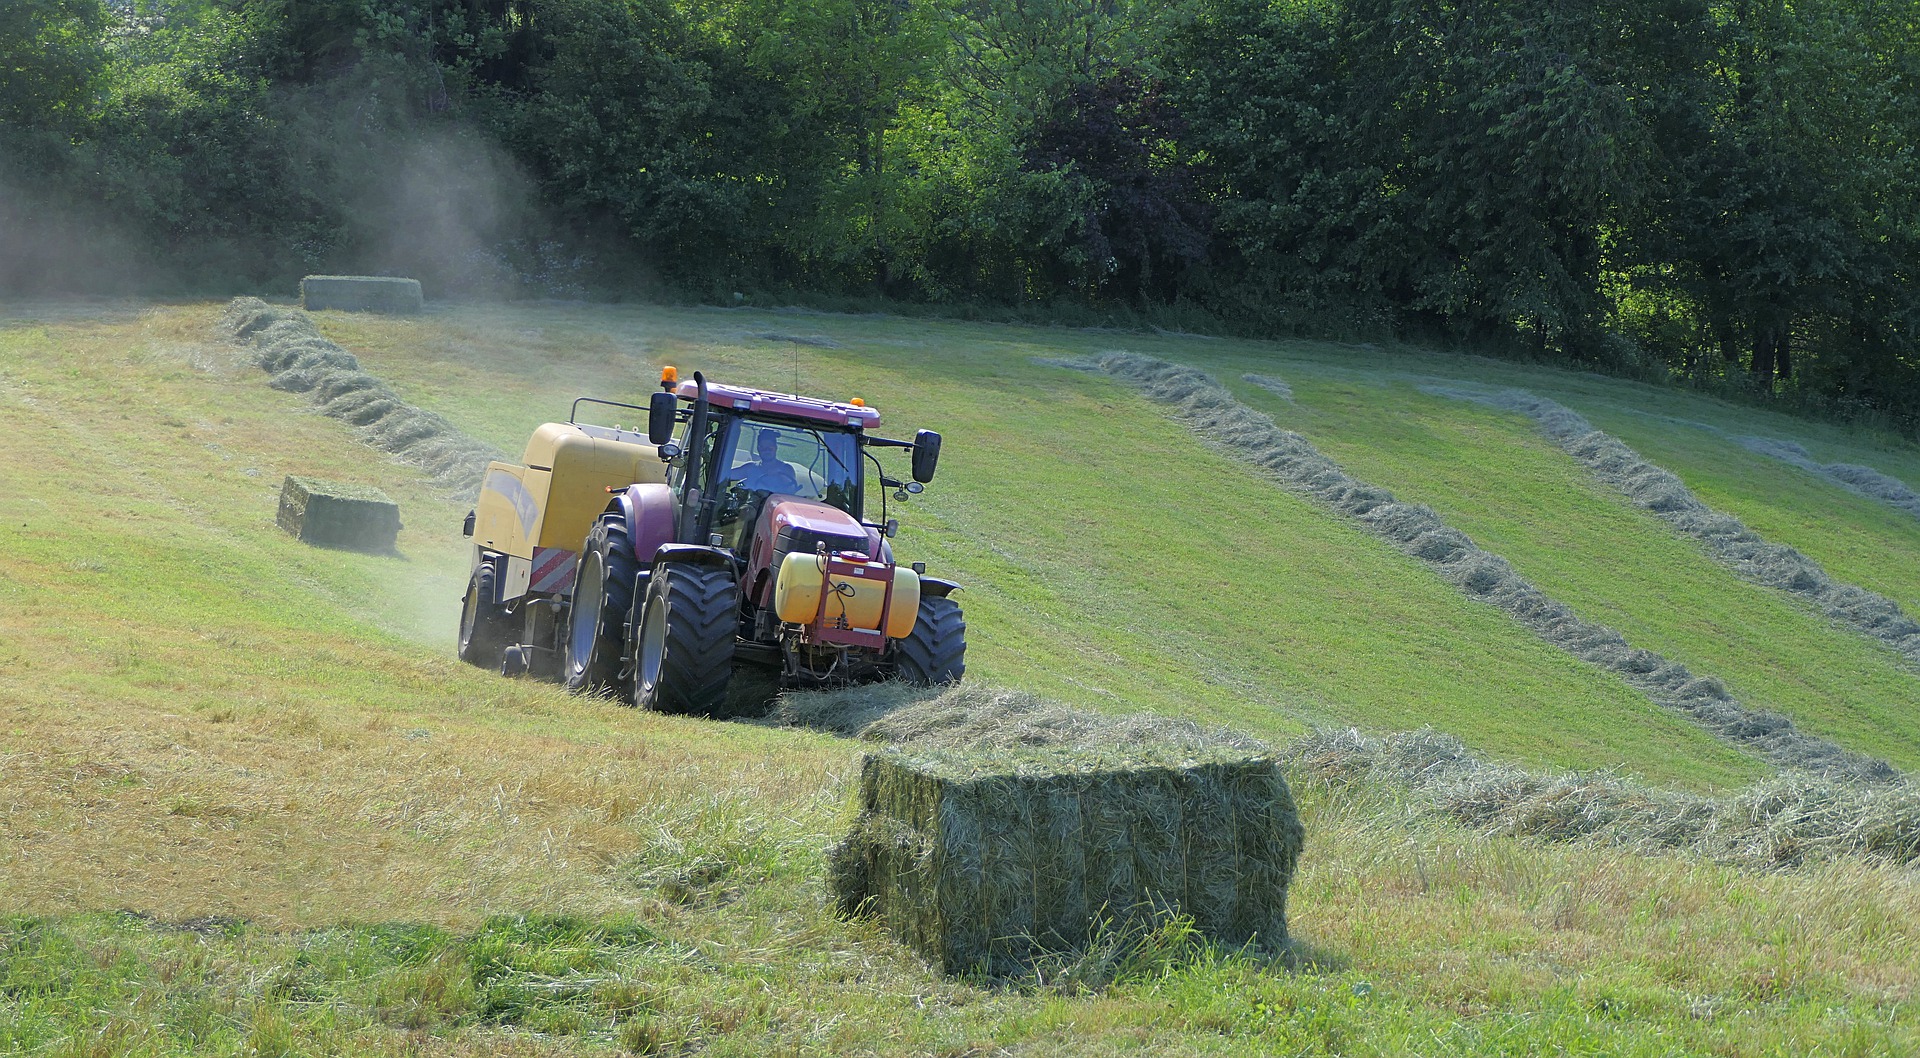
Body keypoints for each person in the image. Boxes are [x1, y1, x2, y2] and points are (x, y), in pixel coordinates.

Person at [729, 428, 800, 495]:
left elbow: (791, 490)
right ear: (758, 449)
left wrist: (779, 476)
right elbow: (726, 475)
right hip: (748, 505)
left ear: (775, 448)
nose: (767, 450)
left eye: (770, 447)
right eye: (763, 447)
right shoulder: (750, 468)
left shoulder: (786, 469)